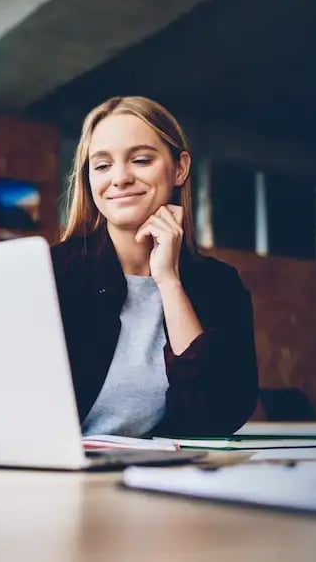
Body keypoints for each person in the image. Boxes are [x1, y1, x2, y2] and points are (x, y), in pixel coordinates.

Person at [50, 96, 259, 437]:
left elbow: (216, 417)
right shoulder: (52, 274)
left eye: (142, 160)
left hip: (159, 479)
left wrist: (169, 281)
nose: (119, 178)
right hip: (52, 479)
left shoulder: (218, 284)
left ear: (179, 168)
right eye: (102, 165)